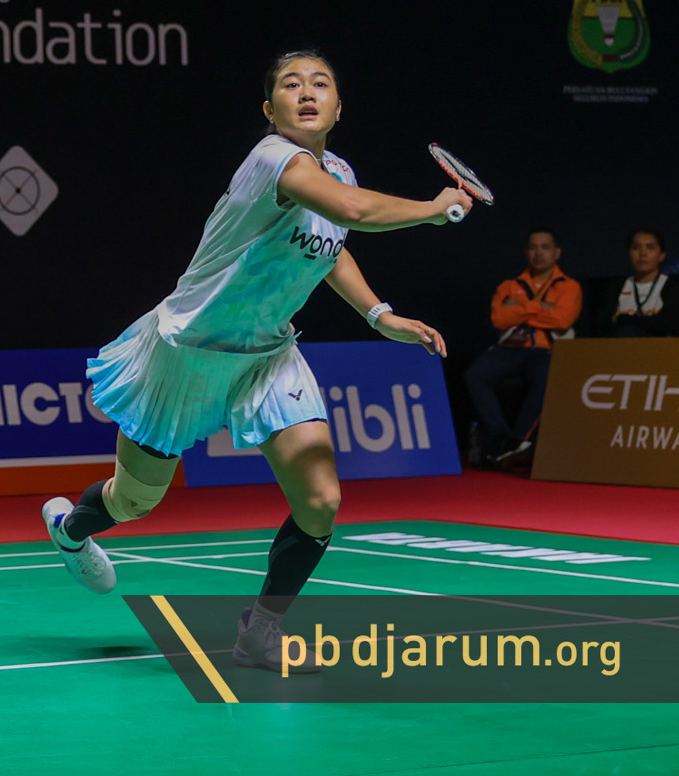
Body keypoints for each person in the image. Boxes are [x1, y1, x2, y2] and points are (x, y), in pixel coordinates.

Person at [42, 51, 465, 671]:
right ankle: (71, 528)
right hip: (188, 352)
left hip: (268, 356)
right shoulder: (273, 159)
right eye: (291, 85)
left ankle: (261, 631)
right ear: (271, 110)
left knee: (320, 500)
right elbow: (352, 212)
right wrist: (433, 207)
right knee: (134, 501)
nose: (307, 92)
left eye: (320, 83)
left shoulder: (338, 170)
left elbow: (331, 244)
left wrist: (380, 315)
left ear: (338, 108)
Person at [463, 228, 581, 468]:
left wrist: (520, 308)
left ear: (557, 252)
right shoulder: (509, 286)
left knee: (547, 377)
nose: (539, 253)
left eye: (545, 247)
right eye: (533, 247)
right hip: (510, 348)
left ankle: (518, 440)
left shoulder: (569, 287)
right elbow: (499, 319)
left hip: (546, 350)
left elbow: (562, 320)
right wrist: (541, 307)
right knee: (475, 375)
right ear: (526, 252)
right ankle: (501, 437)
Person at [589, 229, 672, 338]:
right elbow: (603, 326)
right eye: (636, 248)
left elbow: (669, 323)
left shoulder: (672, 287)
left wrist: (625, 319)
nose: (643, 253)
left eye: (650, 248)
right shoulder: (614, 288)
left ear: (662, 255)